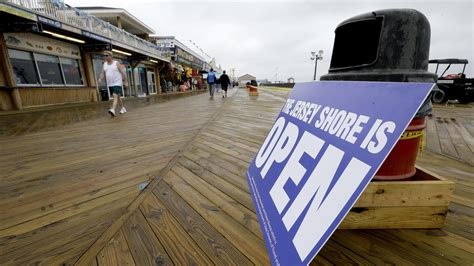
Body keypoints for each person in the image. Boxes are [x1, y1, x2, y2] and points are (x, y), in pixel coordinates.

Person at [98, 51, 128, 116]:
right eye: (104, 56)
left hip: (117, 82)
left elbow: (123, 72)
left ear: (111, 56)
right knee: (117, 96)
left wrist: (125, 81)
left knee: (115, 95)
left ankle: (113, 109)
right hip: (110, 84)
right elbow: (102, 73)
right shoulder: (104, 64)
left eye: (106, 55)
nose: (105, 57)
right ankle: (123, 108)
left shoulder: (116, 63)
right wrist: (100, 78)